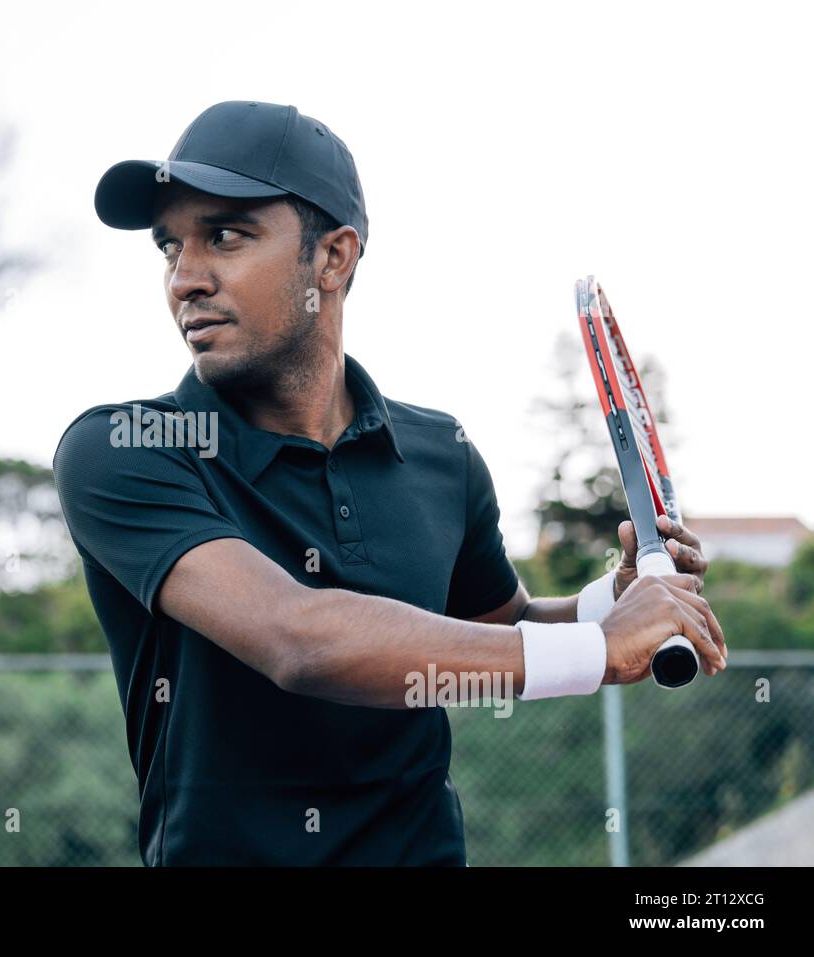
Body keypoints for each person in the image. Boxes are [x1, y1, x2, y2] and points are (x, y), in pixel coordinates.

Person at [53, 100, 726, 866]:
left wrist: (618, 596)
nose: (184, 278)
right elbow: (297, 638)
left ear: (333, 258)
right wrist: (601, 648)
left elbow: (504, 629)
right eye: (170, 246)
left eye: (225, 236)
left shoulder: (444, 454)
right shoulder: (122, 449)